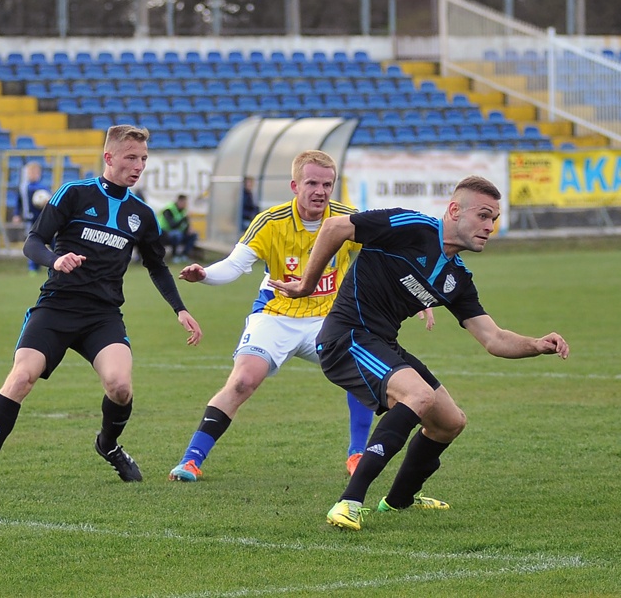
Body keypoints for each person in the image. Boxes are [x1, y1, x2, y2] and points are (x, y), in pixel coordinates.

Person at [270, 175, 569, 531]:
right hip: (345, 337)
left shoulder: (458, 279)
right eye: (484, 216)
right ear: (454, 210)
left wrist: (537, 345)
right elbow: (335, 226)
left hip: (381, 342)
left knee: (449, 422)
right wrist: (306, 284)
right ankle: (348, 502)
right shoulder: (411, 226)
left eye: (495, 219)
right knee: (418, 395)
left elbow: (494, 339)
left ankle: (398, 501)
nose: (490, 227)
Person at [0, 125, 203, 491]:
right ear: (109, 158)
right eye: (131, 158)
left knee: (120, 386)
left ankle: (107, 445)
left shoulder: (142, 214)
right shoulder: (74, 194)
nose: (138, 166)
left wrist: (179, 309)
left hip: (102, 316)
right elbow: (33, 242)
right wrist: (54, 261)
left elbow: (156, 265)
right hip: (57, 307)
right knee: (22, 376)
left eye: (143, 159)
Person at [167, 149, 426, 483]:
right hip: (276, 315)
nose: (320, 191)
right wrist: (205, 274)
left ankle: (357, 455)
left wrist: (421, 298)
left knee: (364, 375)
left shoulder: (348, 219)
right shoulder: (271, 221)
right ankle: (191, 461)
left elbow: (392, 257)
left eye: (327, 184)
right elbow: (235, 265)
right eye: (312, 183)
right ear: (294, 185)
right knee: (243, 380)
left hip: (329, 321)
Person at [12, 161, 51, 274]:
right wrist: (16, 214)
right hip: (30, 220)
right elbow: (18, 202)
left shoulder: (43, 188)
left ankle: (58, 261)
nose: (33, 174)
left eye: (36, 172)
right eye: (31, 172)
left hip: (43, 220)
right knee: (33, 243)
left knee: (52, 242)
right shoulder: (24, 188)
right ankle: (33, 268)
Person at [158, 194, 198, 262]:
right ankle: (174, 255)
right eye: (184, 202)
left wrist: (189, 229)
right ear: (179, 201)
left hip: (178, 232)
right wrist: (184, 218)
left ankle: (184, 255)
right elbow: (172, 225)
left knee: (193, 235)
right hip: (164, 233)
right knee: (176, 235)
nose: (185, 204)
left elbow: (186, 224)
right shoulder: (168, 210)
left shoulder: (184, 210)